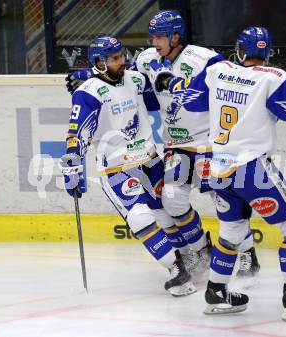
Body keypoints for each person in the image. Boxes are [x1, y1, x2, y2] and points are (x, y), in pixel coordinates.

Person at [151, 26, 286, 320]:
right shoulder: (274, 78)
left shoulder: (218, 71)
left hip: (217, 168)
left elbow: (189, 97)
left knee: (231, 231)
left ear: (240, 52)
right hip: (252, 168)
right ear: (267, 52)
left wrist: (169, 80)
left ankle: (217, 293)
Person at [65, 10, 261, 278]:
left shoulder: (204, 58)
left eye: (160, 37)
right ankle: (203, 253)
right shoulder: (146, 60)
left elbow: (234, 85)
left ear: (176, 36)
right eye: (152, 36)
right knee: (173, 200)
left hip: (208, 143)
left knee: (224, 200)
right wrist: (90, 71)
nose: (153, 42)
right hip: (177, 145)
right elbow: (122, 80)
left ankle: (248, 254)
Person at [60, 36, 196, 297]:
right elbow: (77, 131)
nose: (121, 61)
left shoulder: (135, 79)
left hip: (150, 159)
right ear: (100, 63)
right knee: (139, 217)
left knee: (168, 211)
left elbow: (159, 94)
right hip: (116, 168)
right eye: (114, 58)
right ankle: (176, 269)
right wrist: (73, 165)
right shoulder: (88, 92)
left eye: (122, 56)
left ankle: (191, 257)